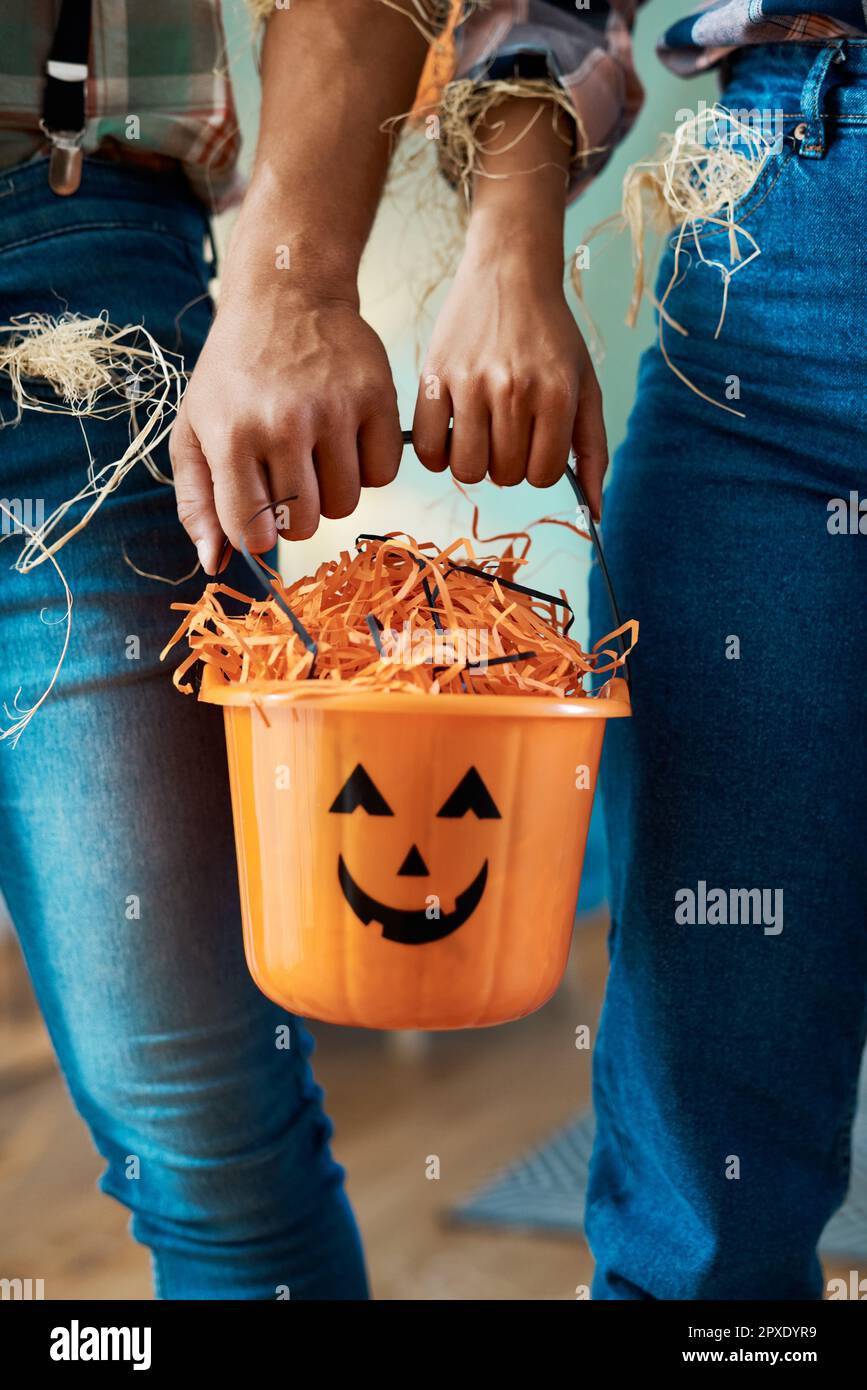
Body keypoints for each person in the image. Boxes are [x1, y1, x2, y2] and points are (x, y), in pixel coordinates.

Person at [1, 0, 864, 1302]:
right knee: (702, 1220)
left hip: (61, 256)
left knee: (202, 1142)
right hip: (780, 225)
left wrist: (299, 278)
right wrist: (510, 247)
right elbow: (554, 14)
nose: (412, 856)